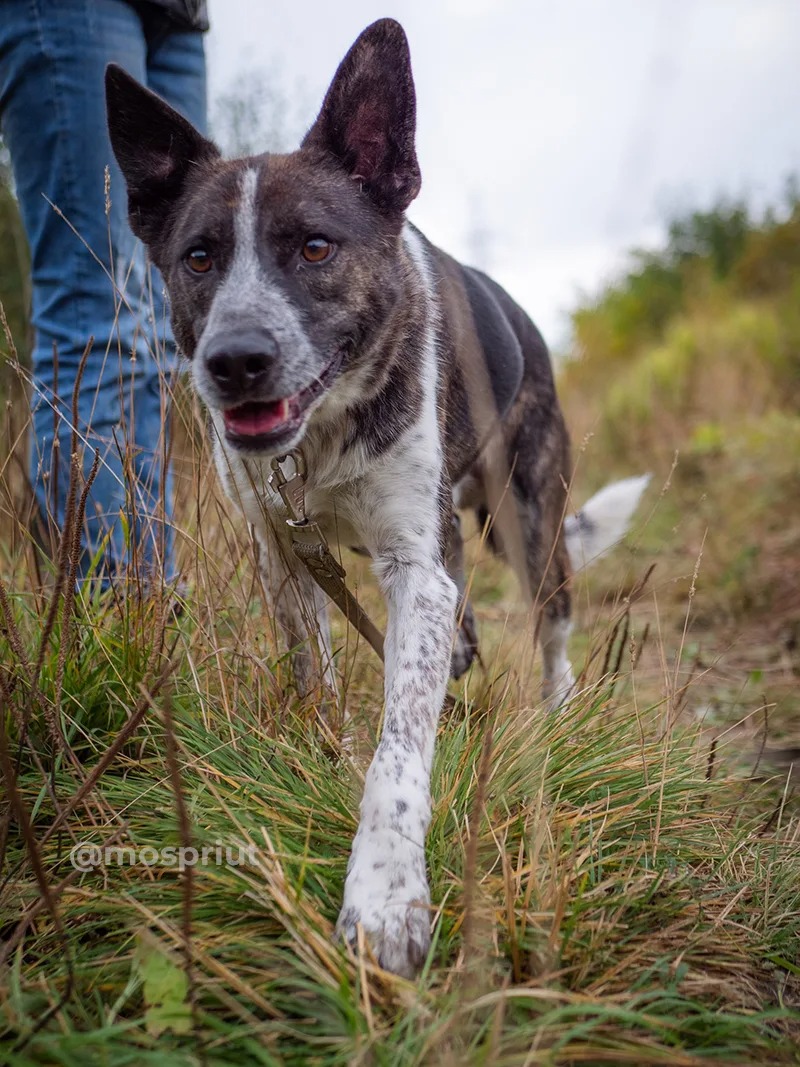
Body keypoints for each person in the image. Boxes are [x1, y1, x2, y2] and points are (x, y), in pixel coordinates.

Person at [0, 0, 209, 588]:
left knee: (161, 330)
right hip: (72, 12)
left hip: (181, 16)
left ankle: (151, 600)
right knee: (93, 309)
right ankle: (101, 601)